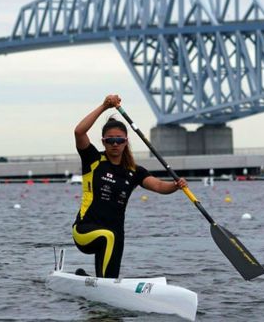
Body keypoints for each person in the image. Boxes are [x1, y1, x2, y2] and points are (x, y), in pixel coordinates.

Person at [72, 94, 188, 278]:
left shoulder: (134, 171)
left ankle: (87, 280)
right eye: (110, 140)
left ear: (126, 142)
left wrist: (175, 185)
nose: (115, 144)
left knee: (111, 247)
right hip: (85, 231)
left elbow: (158, 186)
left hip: (115, 234)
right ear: (103, 141)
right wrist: (104, 106)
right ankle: (102, 286)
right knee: (107, 236)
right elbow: (79, 132)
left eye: (119, 140)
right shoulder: (93, 160)